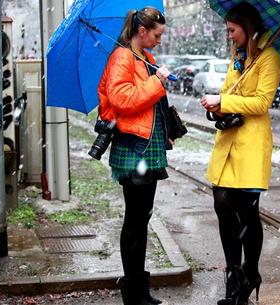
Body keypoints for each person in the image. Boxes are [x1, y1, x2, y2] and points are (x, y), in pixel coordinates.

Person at [199, 2, 280, 305]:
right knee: (222, 202)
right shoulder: (240, 56)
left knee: (248, 211)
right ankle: (234, 273)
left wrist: (225, 100)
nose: (230, 36)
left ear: (247, 28)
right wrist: (216, 106)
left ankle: (250, 272)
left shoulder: (270, 59)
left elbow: (261, 103)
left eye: (233, 30)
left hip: (250, 143)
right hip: (229, 139)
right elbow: (229, 89)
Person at [97, 7, 172, 305]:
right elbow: (123, 99)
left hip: (148, 147)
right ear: (142, 31)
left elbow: (149, 103)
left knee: (144, 217)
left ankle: (140, 290)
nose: (159, 40)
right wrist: (157, 83)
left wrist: (167, 125)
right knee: (135, 218)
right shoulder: (122, 57)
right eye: (157, 34)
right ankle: (133, 293)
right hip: (133, 148)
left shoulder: (145, 58)